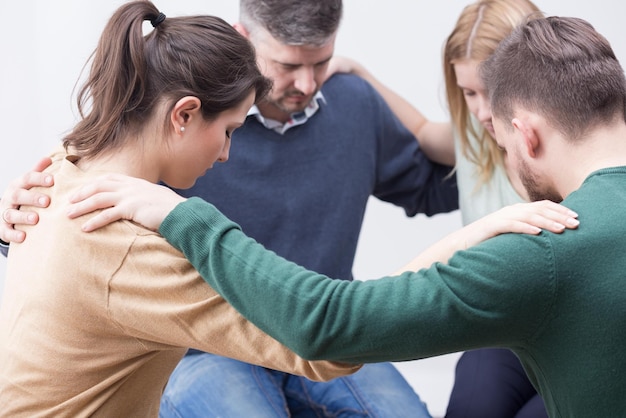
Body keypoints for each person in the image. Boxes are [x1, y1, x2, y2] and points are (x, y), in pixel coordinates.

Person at [63, 15, 626, 417]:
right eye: (287, 65)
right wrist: (26, 202)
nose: (307, 85)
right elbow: (92, 182)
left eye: (322, 62)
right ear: (245, 39)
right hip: (212, 348)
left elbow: (433, 189)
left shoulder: (352, 107)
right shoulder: (184, 126)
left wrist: (493, 199)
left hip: (325, 329)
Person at [0, 0, 461, 416]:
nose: (226, 153)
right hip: (219, 340)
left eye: (321, 62)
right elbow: (327, 342)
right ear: (184, 114)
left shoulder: (74, 165)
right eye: (228, 132)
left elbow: (429, 186)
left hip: (295, 314)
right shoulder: (130, 237)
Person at [325, 0, 549, 416]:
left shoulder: (566, 149)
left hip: (572, 331)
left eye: (493, 91)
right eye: (468, 93)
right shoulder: (475, 136)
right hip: (506, 332)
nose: (483, 110)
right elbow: (424, 132)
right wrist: (362, 75)